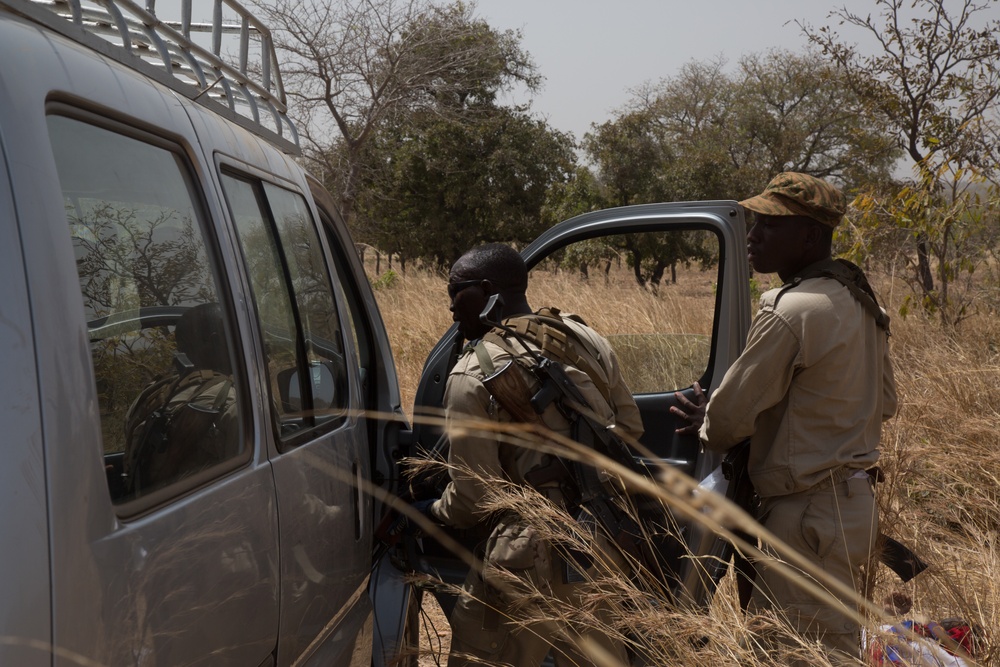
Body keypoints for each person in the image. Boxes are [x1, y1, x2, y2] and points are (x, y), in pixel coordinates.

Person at [672, 172, 898, 664]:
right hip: (853, 508)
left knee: (801, 654)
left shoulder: (790, 310)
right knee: (829, 644)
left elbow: (728, 421)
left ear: (809, 236)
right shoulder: (861, 303)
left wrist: (706, 421)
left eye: (769, 226)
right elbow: (886, 403)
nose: (752, 236)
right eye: (754, 223)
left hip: (805, 516)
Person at [416, 242, 644, 667]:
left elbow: (475, 497)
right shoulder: (582, 336)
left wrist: (429, 510)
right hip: (600, 538)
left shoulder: (473, 372)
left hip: (526, 551)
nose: (451, 308)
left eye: (455, 292)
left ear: (486, 291)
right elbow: (629, 429)